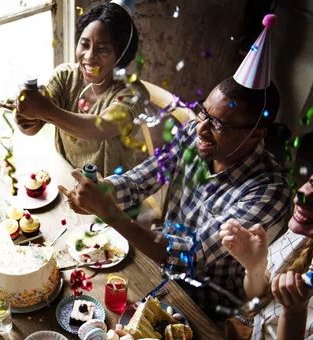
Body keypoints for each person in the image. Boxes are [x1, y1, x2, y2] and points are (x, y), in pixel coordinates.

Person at [59, 15, 291, 315]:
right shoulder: (198, 134)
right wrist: (104, 190)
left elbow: (190, 255)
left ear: (256, 134)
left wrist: (110, 212)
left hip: (206, 308)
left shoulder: (269, 192)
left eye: (218, 124)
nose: (201, 129)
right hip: (158, 270)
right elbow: (144, 178)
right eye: (203, 113)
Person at [0, 0, 149, 176]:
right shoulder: (65, 77)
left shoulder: (133, 95)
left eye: (102, 49)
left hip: (112, 193)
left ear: (122, 56)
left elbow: (98, 130)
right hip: (66, 178)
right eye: (84, 44)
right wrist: (25, 115)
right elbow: (32, 129)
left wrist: (45, 110)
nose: (89, 56)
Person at [220, 176, 313, 340]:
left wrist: (294, 313)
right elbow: (257, 298)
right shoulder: (300, 230)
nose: (303, 196)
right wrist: (255, 267)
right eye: (312, 182)